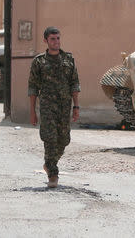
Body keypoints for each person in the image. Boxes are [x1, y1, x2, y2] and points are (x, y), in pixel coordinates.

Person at [28, 26, 80, 188]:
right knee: (50, 139)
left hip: (65, 107)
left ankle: (49, 163)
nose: (56, 42)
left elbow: (74, 84)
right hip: (47, 107)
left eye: (58, 38)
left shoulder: (68, 59)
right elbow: (32, 87)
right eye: (52, 39)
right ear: (46, 41)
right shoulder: (39, 62)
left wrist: (76, 106)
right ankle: (52, 172)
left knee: (64, 139)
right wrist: (32, 111)